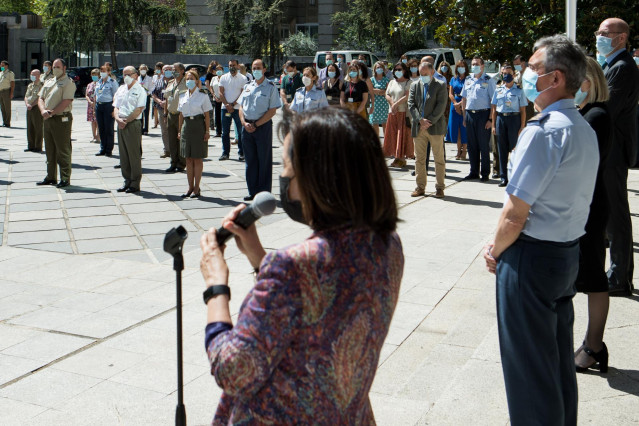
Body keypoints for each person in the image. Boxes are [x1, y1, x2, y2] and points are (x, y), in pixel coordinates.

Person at [200, 107, 402, 424]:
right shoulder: (388, 245)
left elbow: (233, 371)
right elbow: (315, 307)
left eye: (285, 167)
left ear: (318, 179)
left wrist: (216, 287)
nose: (282, 179)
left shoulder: (293, 266)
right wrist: (257, 256)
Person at [483, 35, 598, 425]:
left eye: (533, 68)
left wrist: (495, 250)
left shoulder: (544, 130)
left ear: (556, 78)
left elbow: (515, 215)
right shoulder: (582, 126)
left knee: (529, 375)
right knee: (556, 364)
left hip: (530, 258)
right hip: (564, 254)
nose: (525, 74)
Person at [572, 56, 612, 374]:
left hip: (591, 205)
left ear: (586, 83)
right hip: (584, 203)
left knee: (594, 278)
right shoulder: (585, 113)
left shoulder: (596, 116)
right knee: (586, 275)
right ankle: (589, 343)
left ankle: (594, 346)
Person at [596, 17, 639, 297]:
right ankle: (614, 272)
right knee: (607, 213)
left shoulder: (623, 68)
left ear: (621, 38)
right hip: (605, 148)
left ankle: (620, 277)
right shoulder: (610, 65)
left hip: (613, 151)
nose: (599, 36)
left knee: (617, 213)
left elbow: (605, 109)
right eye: (599, 32)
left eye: (605, 33)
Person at [239, 59, 281, 201]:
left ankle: (263, 194)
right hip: (247, 127)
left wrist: (256, 124)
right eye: (253, 68)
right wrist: (244, 123)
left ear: (264, 69)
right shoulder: (247, 86)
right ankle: (252, 191)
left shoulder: (270, 87)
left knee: (264, 160)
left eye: (258, 68)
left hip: (262, 127)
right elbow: (241, 107)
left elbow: (273, 110)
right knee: (250, 161)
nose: (255, 70)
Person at [408, 61, 448, 198]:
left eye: (425, 73)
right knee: (419, 158)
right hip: (419, 128)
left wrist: (428, 121)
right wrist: (420, 120)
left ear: (432, 72)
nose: (423, 75)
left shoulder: (441, 85)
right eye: (421, 73)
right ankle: (420, 187)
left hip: (435, 127)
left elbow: (441, 106)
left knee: (438, 158)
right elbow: (411, 104)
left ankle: (440, 187)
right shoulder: (414, 85)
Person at [37, 58, 75, 188]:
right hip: (47, 119)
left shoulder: (68, 82)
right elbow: (41, 98)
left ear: (64, 68)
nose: (55, 69)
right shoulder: (49, 81)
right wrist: (43, 110)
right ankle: (51, 176)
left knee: (62, 149)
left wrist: (51, 112)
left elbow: (66, 101)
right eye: (54, 67)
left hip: (61, 119)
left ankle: (65, 177)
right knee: (49, 149)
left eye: (58, 67)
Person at [490, 64, 528, 187]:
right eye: (504, 73)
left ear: (514, 74)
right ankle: (503, 177)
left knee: (515, 149)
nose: (506, 76)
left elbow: (523, 110)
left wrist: (522, 126)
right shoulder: (498, 90)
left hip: (514, 119)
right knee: (501, 149)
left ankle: (516, 177)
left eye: (508, 73)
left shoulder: (519, 91)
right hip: (501, 119)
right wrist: (494, 125)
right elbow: (494, 109)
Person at [177, 69, 212, 198]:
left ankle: (197, 187)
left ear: (197, 81)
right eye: (187, 79)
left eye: (192, 78)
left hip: (198, 126)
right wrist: (180, 130)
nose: (189, 81)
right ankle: (190, 187)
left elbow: (207, 115)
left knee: (197, 158)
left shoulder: (203, 95)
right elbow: (181, 114)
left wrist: (207, 131)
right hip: (187, 126)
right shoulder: (182, 95)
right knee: (188, 158)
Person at [461, 56, 497, 181]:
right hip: (470, 114)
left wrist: (490, 119)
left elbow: (494, 102)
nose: (474, 66)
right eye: (473, 64)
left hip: (483, 115)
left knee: (483, 145)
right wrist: (465, 116)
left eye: (477, 64)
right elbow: (464, 98)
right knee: (472, 146)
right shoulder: (468, 79)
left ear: (482, 66)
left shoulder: (489, 80)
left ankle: (485, 173)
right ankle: (473, 171)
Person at [113, 66, 146, 194]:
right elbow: (116, 106)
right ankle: (126, 180)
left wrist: (126, 121)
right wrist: (118, 119)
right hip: (120, 122)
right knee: (123, 154)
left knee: (133, 154)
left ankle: (135, 182)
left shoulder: (140, 90)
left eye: (128, 74)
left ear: (135, 75)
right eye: (123, 74)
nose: (125, 77)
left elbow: (139, 109)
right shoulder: (121, 89)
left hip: (132, 123)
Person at [384, 62, 413, 168]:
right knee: (393, 135)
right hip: (392, 112)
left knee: (402, 135)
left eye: (400, 69)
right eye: (396, 69)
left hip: (402, 112)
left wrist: (396, 105)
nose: (398, 71)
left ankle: (401, 158)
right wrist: (392, 104)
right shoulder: (392, 82)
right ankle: (396, 157)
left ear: (405, 70)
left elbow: (407, 95)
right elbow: (387, 94)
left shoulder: (409, 82)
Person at [219, 59, 246, 161]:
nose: (232, 67)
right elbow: (221, 93)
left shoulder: (243, 78)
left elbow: (243, 93)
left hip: (238, 108)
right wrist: (226, 104)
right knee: (225, 132)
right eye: (230, 65)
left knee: (240, 132)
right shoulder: (223, 77)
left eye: (234, 65)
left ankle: (241, 153)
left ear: (238, 66)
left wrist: (232, 104)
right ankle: (225, 153)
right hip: (225, 108)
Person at [165, 62, 188, 172]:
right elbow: (166, 99)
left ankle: (181, 163)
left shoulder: (187, 82)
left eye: (176, 69)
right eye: (173, 69)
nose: (173, 71)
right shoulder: (170, 82)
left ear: (182, 71)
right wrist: (165, 113)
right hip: (171, 114)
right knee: (172, 141)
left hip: (181, 115)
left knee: (181, 139)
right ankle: (173, 162)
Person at [95, 63, 119, 157]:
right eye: (101, 71)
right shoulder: (99, 82)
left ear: (109, 72)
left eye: (104, 71)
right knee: (101, 128)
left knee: (108, 129)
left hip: (108, 106)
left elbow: (116, 96)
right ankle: (102, 148)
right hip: (99, 106)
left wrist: (114, 110)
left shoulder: (112, 82)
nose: (102, 73)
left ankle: (109, 149)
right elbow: (96, 95)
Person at [446, 61, 468, 160]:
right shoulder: (453, 79)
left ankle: (464, 151)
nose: (461, 68)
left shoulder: (468, 79)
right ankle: (458, 151)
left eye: (462, 66)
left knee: (464, 128)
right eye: (459, 67)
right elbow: (450, 93)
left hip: (465, 103)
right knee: (457, 129)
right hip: (454, 104)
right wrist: (455, 103)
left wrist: (460, 104)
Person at [152, 64, 172, 159]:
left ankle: (175, 150)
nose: (167, 71)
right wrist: (160, 102)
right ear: (162, 71)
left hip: (173, 109)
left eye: (169, 69)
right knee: (164, 130)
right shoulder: (158, 82)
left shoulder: (175, 81)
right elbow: (153, 94)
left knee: (174, 130)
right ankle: (167, 150)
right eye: (165, 70)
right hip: (161, 108)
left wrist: (168, 102)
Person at [24, 69, 43, 152]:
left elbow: (40, 98)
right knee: (30, 127)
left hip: (36, 107)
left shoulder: (41, 85)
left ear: (38, 76)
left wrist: (32, 105)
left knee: (38, 127)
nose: (32, 76)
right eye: (31, 74)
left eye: (34, 75)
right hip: (29, 107)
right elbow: (26, 96)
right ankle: (30, 145)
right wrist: (27, 104)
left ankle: (37, 146)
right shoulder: (30, 85)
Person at [370, 61, 390, 135]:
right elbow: (370, 90)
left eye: (381, 67)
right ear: (374, 69)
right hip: (374, 103)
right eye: (378, 67)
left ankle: (386, 143)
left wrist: (378, 91)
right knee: (375, 124)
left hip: (384, 104)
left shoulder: (386, 80)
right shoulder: (371, 80)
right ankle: (377, 143)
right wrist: (380, 91)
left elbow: (387, 92)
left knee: (385, 124)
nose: (379, 69)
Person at [207, 64, 224, 138]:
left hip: (224, 100)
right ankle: (218, 132)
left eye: (220, 70)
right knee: (217, 115)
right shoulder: (213, 78)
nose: (218, 71)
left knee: (223, 116)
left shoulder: (225, 78)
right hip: (216, 99)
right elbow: (211, 88)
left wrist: (222, 98)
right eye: (217, 70)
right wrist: (214, 96)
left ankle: (225, 130)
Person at [85, 69, 100, 144]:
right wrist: (90, 101)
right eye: (93, 75)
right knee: (92, 121)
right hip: (90, 105)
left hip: (97, 104)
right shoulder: (89, 85)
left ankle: (98, 137)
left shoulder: (100, 84)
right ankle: (94, 136)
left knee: (98, 121)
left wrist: (95, 102)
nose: (94, 76)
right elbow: (86, 95)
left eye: (96, 75)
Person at [138, 64, 153, 135]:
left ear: (146, 70)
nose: (143, 70)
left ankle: (146, 129)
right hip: (139, 97)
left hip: (146, 96)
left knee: (146, 113)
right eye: (141, 69)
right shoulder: (137, 78)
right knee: (140, 112)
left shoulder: (149, 78)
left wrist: (148, 93)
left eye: (144, 69)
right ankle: (140, 128)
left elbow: (151, 88)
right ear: (139, 70)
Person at [204, 60, 219, 132]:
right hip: (210, 93)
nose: (215, 67)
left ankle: (217, 124)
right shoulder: (209, 74)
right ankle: (212, 125)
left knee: (217, 110)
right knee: (210, 109)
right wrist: (211, 92)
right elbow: (207, 84)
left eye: (216, 65)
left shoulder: (219, 74)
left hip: (218, 93)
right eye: (213, 65)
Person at [0, 60, 15, 127]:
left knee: (7, 107)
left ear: (6, 66)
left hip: (6, 91)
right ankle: (4, 121)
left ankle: (7, 122)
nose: (1, 66)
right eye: (1, 65)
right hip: (0, 91)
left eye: (2, 65)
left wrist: (11, 93)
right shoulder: (1, 73)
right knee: (2, 107)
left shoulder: (10, 73)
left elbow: (12, 84)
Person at [151, 62, 164, 128]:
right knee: (155, 108)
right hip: (155, 93)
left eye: (159, 68)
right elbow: (152, 84)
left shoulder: (163, 76)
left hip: (161, 95)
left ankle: (160, 121)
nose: (157, 70)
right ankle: (155, 122)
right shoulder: (154, 76)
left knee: (161, 109)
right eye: (156, 69)